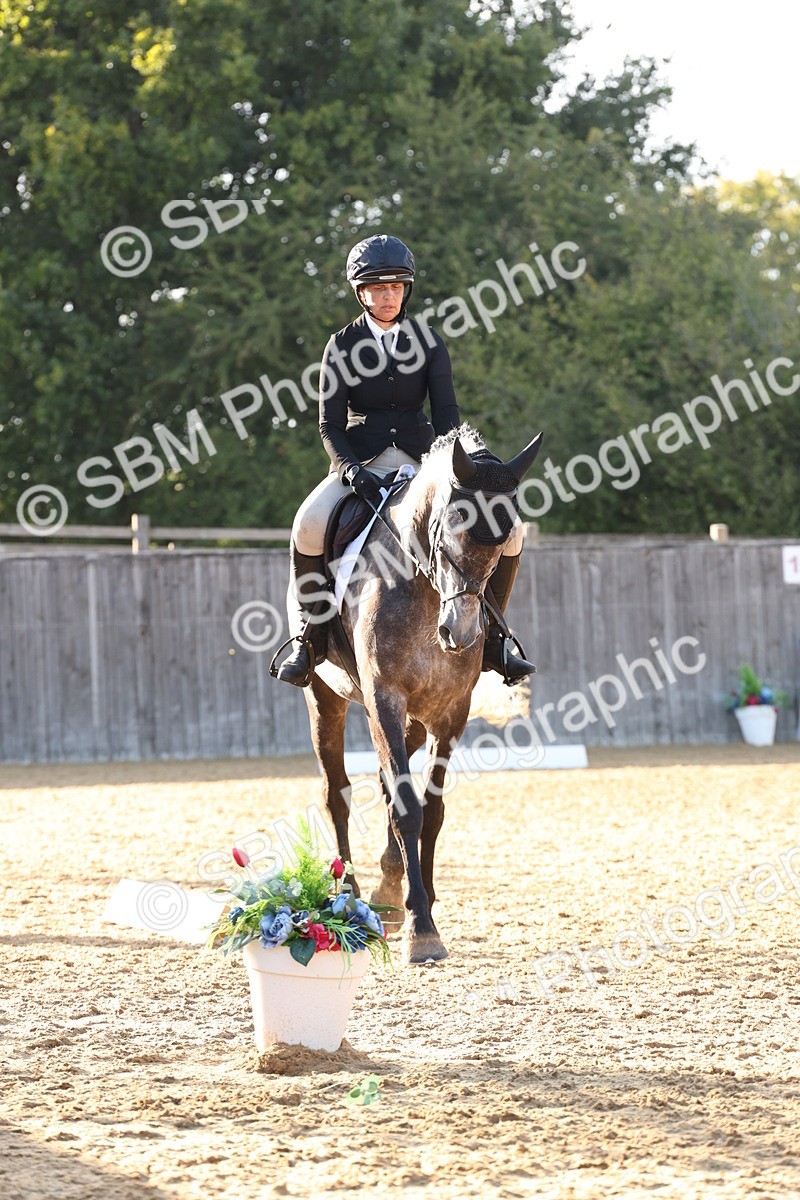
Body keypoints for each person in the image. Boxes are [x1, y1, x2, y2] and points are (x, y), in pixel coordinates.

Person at [274, 233, 535, 687]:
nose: (388, 296)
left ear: (406, 290)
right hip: (363, 462)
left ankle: (495, 639)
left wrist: (470, 465)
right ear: (361, 293)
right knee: (308, 524)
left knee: (508, 531)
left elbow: (448, 418)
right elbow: (329, 426)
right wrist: (353, 474)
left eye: (396, 287)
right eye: (378, 288)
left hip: (425, 465)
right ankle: (309, 636)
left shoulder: (429, 342)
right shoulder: (341, 346)